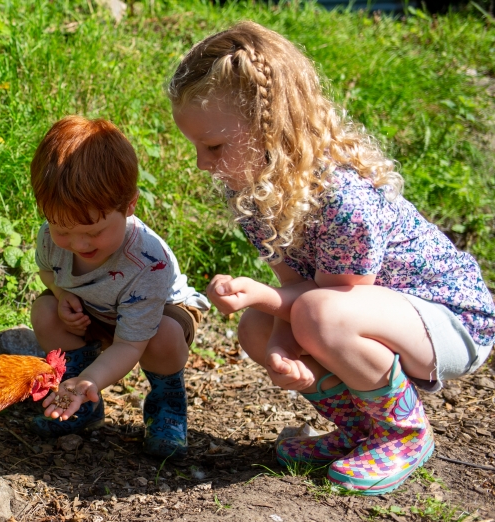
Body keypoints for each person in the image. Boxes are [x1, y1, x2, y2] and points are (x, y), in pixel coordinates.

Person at [168, 21, 494, 494]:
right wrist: (278, 344)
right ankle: (362, 430)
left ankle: (403, 432)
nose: (203, 163)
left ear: (270, 128)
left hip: (451, 321)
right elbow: (295, 287)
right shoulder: (252, 192)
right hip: (363, 313)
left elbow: (333, 299)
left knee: (316, 314)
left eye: (214, 146)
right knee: (256, 325)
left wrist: (265, 297)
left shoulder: (343, 196)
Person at [28, 115, 210, 459]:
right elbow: (48, 273)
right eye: (62, 229)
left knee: (163, 336)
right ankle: (82, 403)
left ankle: (167, 407)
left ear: (129, 206)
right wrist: (62, 295)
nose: (78, 244)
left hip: (154, 318)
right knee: (45, 311)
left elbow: (129, 344)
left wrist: (93, 379)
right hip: (96, 310)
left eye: (94, 232)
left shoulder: (148, 261)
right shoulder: (50, 237)